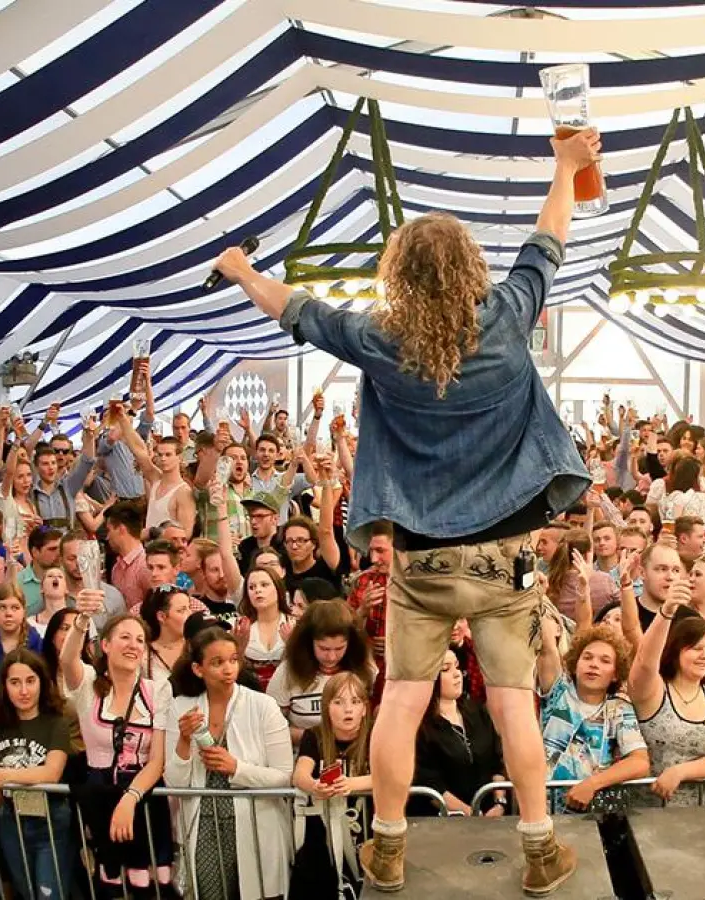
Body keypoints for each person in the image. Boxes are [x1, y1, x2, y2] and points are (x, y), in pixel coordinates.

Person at [215, 127, 600, 895]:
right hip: (504, 560)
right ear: (468, 269)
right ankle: (538, 852)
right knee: (517, 707)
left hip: (419, 556)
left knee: (401, 701)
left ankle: (387, 848)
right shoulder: (509, 315)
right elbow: (548, 237)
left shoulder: (379, 339)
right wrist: (565, 167)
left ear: (401, 274)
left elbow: (297, 310)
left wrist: (240, 270)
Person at [167, 626, 294, 900]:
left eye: (233, 660)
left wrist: (237, 768)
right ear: (198, 669)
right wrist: (184, 741)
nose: (228, 669)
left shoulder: (263, 706)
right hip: (204, 828)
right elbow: (175, 782)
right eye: (217, 662)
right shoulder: (180, 707)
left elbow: (284, 776)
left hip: (257, 823)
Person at [60, 615, 174, 894]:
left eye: (139, 640)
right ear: (106, 645)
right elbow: (66, 660)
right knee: (111, 886)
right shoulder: (89, 685)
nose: (133, 645)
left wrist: (130, 800)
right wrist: (81, 622)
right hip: (100, 801)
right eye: (125, 637)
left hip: (145, 799)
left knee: (150, 887)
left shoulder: (158, 689)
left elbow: (157, 761)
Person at [0, 649, 72, 900]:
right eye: (15, 682)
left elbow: (52, 772)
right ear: (5, 687)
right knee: (27, 892)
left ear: (42, 682)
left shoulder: (56, 722)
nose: (24, 691)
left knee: (49, 893)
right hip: (12, 819)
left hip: (50, 819)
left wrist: (5, 776)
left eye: (30, 681)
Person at [629, 588, 705, 807]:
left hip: (701, 814)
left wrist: (680, 772)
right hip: (646, 813)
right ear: (676, 650)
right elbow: (644, 661)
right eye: (697, 648)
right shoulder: (655, 690)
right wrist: (665, 613)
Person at [534, 617, 650, 814]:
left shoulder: (619, 708)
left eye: (605, 661)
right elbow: (546, 647)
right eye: (587, 657)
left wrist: (592, 784)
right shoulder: (557, 691)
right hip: (544, 812)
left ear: (615, 673)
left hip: (592, 816)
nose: (594, 664)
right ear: (575, 664)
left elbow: (640, 762)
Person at [290, 671, 376, 899]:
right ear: (327, 707)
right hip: (324, 832)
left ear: (365, 708)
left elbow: (387, 776)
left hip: (368, 829)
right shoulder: (314, 736)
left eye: (355, 701)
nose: (348, 709)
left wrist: (352, 783)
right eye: (339, 702)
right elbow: (299, 774)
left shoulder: (375, 735)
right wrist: (314, 785)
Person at [267, 599, 374, 744]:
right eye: (324, 649)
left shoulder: (364, 669)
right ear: (308, 643)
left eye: (339, 649)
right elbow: (270, 726)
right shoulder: (287, 672)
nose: (331, 657)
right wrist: (316, 739)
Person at [413, 648, 506, 816]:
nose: (457, 674)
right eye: (446, 669)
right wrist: (470, 813)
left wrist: (499, 803)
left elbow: (496, 762)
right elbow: (430, 784)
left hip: (491, 816)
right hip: (444, 821)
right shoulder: (422, 726)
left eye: (457, 666)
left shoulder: (477, 711)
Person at [239, 566, 295, 693]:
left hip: (288, 694)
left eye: (264, 585)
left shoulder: (294, 624)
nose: (258, 590)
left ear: (278, 588)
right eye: (251, 587)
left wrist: (294, 645)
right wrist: (239, 648)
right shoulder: (241, 626)